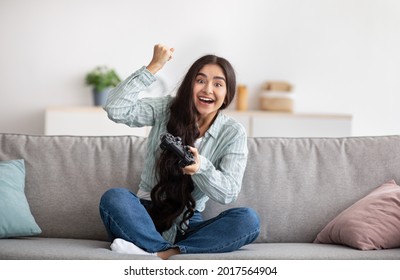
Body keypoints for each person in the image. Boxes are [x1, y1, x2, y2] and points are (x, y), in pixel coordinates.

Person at [99, 44, 260, 260]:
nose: (208, 89)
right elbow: (116, 108)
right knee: (115, 198)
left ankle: (158, 253)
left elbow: (228, 192)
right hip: (144, 213)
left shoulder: (233, 133)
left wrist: (200, 168)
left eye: (218, 84)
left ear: (227, 92)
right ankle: (165, 250)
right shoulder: (166, 109)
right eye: (200, 80)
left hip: (188, 221)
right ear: (189, 85)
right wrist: (153, 66)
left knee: (248, 220)